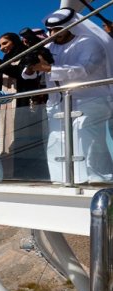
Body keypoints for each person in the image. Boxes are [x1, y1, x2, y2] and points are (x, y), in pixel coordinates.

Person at [23, 7, 113, 184]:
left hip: (90, 100)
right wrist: (32, 66)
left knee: (87, 139)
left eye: (58, 29)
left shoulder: (89, 43)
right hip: (58, 102)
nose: (54, 33)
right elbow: (28, 75)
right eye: (51, 30)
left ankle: (98, 179)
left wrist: (49, 69)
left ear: (71, 26)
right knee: (57, 141)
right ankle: (62, 179)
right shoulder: (48, 46)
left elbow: (84, 70)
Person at [0, 33, 49, 181]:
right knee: (7, 138)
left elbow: (21, 74)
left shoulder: (26, 54)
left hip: (24, 102)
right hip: (7, 104)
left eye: (5, 43)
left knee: (24, 138)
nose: (2, 48)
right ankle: (12, 173)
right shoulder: (6, 60)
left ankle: (31, 174)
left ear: (14, 41)